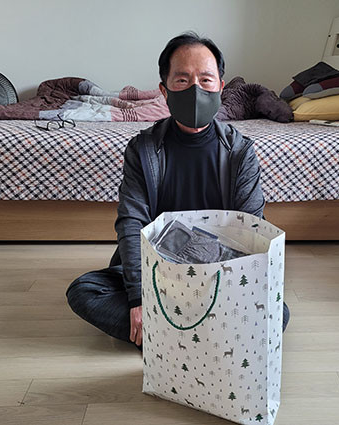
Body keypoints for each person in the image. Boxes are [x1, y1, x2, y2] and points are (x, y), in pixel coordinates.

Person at [66, 32, 290, 348]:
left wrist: (232, 289)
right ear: (164, 90)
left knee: (277, 314)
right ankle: (206, 335)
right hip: (157, 268)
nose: (195, 90)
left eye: (206, 80)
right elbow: (131, 222)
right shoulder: (143, 149)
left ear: (220, 87)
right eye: (182, 81)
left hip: (217, 271)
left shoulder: (240, 152)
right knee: (84, 291)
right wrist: (139, 297)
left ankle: (169, 336)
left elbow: (251, 232)